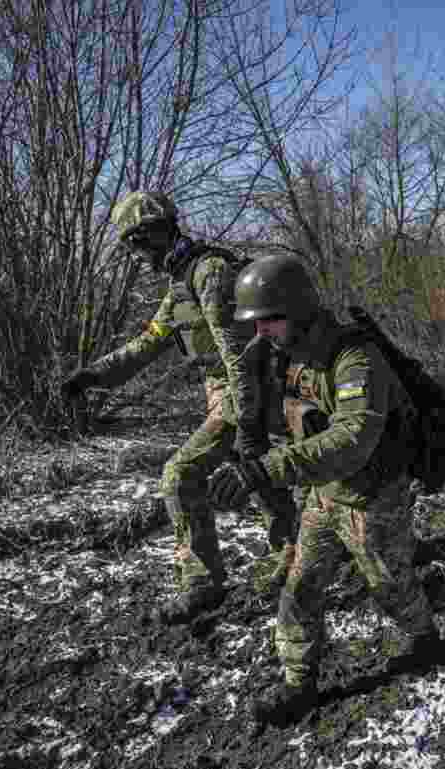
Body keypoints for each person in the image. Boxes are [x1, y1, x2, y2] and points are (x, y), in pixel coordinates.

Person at [208, 254, 440, 729]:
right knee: (300, 586)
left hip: (372, 497)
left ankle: (424, 638)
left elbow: (353, 438)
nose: (261, 332)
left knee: (390, 586)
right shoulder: (288, 355)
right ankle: (299, 680)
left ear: (297, 310)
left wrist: (266, 469)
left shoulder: (355, 357)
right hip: (322, 494)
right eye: (256, 324)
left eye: (267, 321)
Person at [59, 192, 297, 624]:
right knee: (263, 479)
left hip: (245, 391)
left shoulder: (211, 274)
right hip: (226, 392)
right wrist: (94, 375)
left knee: (181, 473)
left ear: (155, 232)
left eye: (138, 243)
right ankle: (291, 557)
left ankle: (203, 585)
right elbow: (150, 340)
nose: (137, 254)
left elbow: (238, 357)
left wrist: (245, 421)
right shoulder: (181, 281)